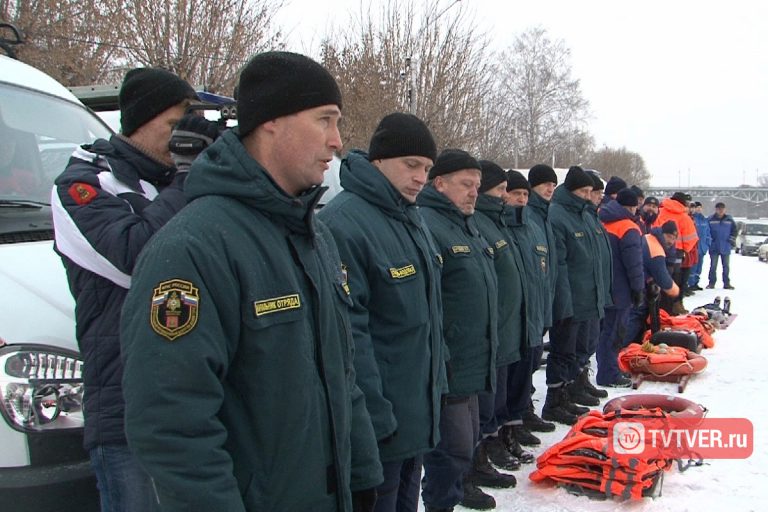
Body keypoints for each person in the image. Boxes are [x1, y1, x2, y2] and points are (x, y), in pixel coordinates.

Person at [119, 51, 383, 511]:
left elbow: (342, 375)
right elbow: (173, 424)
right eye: (324, 120)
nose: (338, 141)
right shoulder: (192, 248)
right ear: (270, 122)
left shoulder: (313, 236)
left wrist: (362, 479)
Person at [51, 67, 210, 512]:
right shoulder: (84, 184)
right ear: (140, 121)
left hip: (195, 401)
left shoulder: (179, 181)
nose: (183, 136)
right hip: (126, 410)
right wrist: (188, 176)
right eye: (175, 124)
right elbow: (140, 258)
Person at [318, 112, 446, 512]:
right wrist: (375, 416)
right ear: (378, 161)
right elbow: (349, 334)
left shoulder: (412, 218)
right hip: (380, 424)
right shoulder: (344, 222)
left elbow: (426, 317)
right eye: (411, 165)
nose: (420, 177)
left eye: (426, 168)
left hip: (416, 411)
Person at [417, 150, 499, 512]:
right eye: (466, 185)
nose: (473, 193)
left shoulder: (468, 224)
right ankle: (438, 504)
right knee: (450, 452)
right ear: (440, 182)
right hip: (448, 364)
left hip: (473, 360)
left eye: (477, 187)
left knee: (464, 447)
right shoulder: (428, 224)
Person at [470, 162, 529, 489]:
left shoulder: (501, 222)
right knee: (484, 404)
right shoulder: (480, 223)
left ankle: (494, 443)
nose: (508, 197)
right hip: (491, 334)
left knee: (500, 396)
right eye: (502, 191)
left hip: (508, 328)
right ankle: (479, 456)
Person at [544, 166, 610, 425]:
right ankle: (555, 399)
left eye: (590, 191)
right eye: (583, 191)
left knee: (583, 347)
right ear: (572, 190)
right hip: (572, 300)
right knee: (563, 352)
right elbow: (560, 265)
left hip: (588, 297)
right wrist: (565, 303)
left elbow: (596, 258)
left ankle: (574, 387)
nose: (588, 195)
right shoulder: (559, 216)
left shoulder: (585, 215)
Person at [595, 188, 644, 387]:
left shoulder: (600, 220)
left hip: (601, 287)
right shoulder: (628, 227)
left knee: (603, 332)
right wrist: (638, 289)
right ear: (632, 207)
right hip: (620, 290)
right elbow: (634, 264)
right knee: (614, 333)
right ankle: (609, 374)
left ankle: (605, 370)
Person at [523, 164, 559, 434]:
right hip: (530, 304)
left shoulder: (545, 216)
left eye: (553, 185)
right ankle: (521, 413)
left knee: (533, 361)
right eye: (545, 184)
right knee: (524, 365)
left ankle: (525, 411)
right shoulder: (531, 216)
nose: (549, 189)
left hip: (543, 300)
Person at [623, 221, 680, 345]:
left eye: (674, 238)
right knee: (636, 316)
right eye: (669, 236)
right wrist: (677, 291)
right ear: (662, 233)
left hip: (628, 282)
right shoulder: (656, 249)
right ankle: (621, 348)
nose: (671, 241)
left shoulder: (647, 237)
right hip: (636, 286)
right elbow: (665, 281)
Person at [653, 192, 698, 314]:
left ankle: (661, 307)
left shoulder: (660, 212)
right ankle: (674, 305)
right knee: (677, 280)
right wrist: (685, 250)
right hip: (678, 254)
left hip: (658, 250)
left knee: (661, 279)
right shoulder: (684, 217)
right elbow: (691, 238)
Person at [707, 202, 737, 289]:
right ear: (716, 209)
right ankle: (711, 283)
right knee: (713, 266)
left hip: (725, 246)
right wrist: (710, 241)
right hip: (714, 246)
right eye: (719, 209)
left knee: (726, 266)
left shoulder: (729, 220)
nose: (720, 211)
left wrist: (731, 241)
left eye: (722, 209)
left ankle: (726, 283)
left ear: (725, 210)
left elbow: (734, 231)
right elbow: (707, 231)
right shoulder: (710, 219)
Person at [688, 201, 711, 291]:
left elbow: (708, 233)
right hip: (694, 247)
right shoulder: (692, 219)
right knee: (692, 267)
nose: (698, 209)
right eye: (696, 207)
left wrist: (707, 244)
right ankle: (690, 284)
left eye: (700, 207)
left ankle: (696, 282)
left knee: (699, 267)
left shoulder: (704, 220)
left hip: (702, 248)